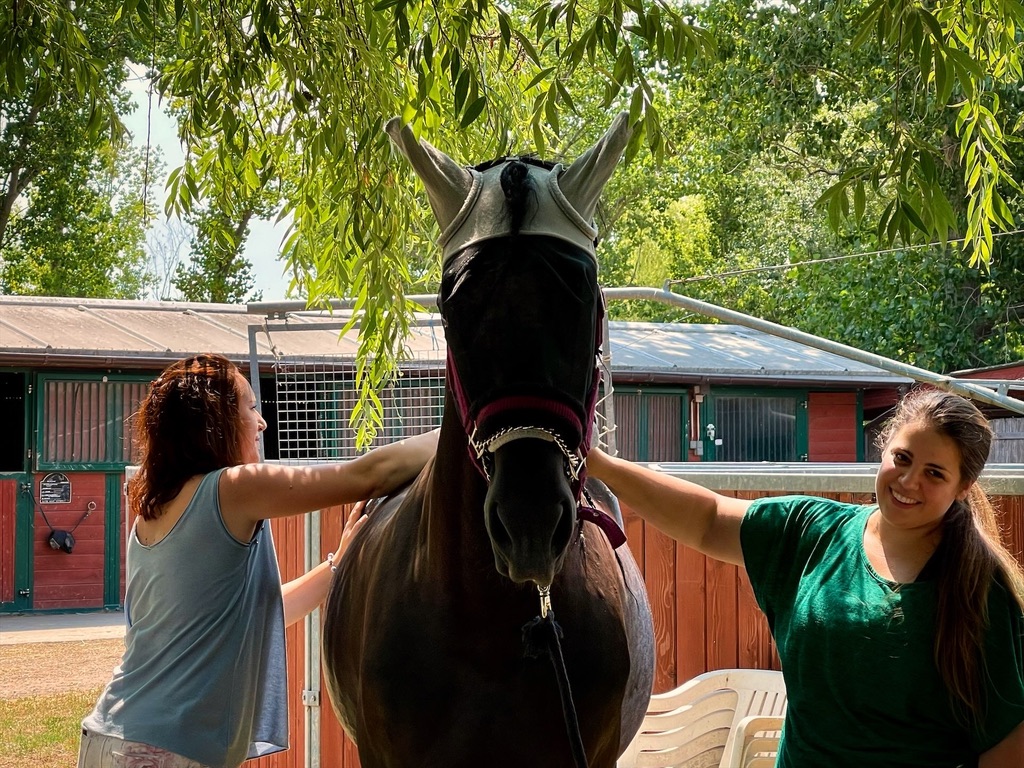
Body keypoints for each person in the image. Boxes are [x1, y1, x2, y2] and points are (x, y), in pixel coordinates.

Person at [588, 388, 1024, 767]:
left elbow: (1010, 742)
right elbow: (708, 519)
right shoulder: (813, 532)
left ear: (963, 487)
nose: (909, 481)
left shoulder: (981, 591)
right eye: (902, 458)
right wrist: (598, 463)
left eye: (935, 473)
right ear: (884, 448)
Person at [78, 353, 437, 768]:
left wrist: (337, 564)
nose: (262, 421)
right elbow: (369, 475)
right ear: (216, 418)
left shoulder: (154, 510)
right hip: (163, 752)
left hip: (110, 737)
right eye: (251, 406)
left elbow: (259, 613)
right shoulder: (233, 488)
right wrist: (470, 426)